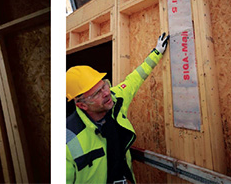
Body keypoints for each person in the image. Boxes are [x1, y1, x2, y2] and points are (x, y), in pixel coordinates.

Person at [66, 33, 169, 183]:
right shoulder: (67, 142)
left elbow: (135, 78)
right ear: (82, 105)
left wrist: (157, 52)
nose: (107, 93)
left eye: (104, 85)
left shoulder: (115, 98)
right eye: (97, 93)